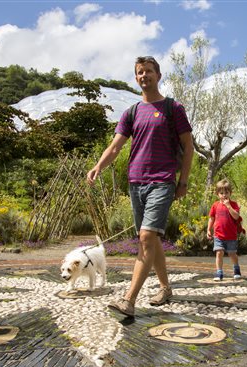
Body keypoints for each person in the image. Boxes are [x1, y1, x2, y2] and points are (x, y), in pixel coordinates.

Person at [86, 56, 193, 317]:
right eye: (139, 72)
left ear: (158, 75)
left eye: (148, 71)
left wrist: (183, 181)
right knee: (151, 239)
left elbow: (188, 147)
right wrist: (99, 166)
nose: (144, 76)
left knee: (146, 237)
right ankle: (166, 288)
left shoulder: (173, 108)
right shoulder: (132, 112)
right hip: (136, 182)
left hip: (162, 181)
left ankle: (129, 300)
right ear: (136, 78)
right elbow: (115, 147)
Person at [206, 179, 242, 281]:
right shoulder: (215, 205)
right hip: (218, 235)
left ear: (230, 193)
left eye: (226, 193)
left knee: (232, 253)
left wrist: (228, 206)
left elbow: (236, 216)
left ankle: (236, 268)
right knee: (219, 252)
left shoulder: (234, 204)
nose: (224, 195)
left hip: (231, 235)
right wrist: (208, 229)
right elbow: (211, 218)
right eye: (221, 193)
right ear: (217, 194)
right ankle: (219, 272)